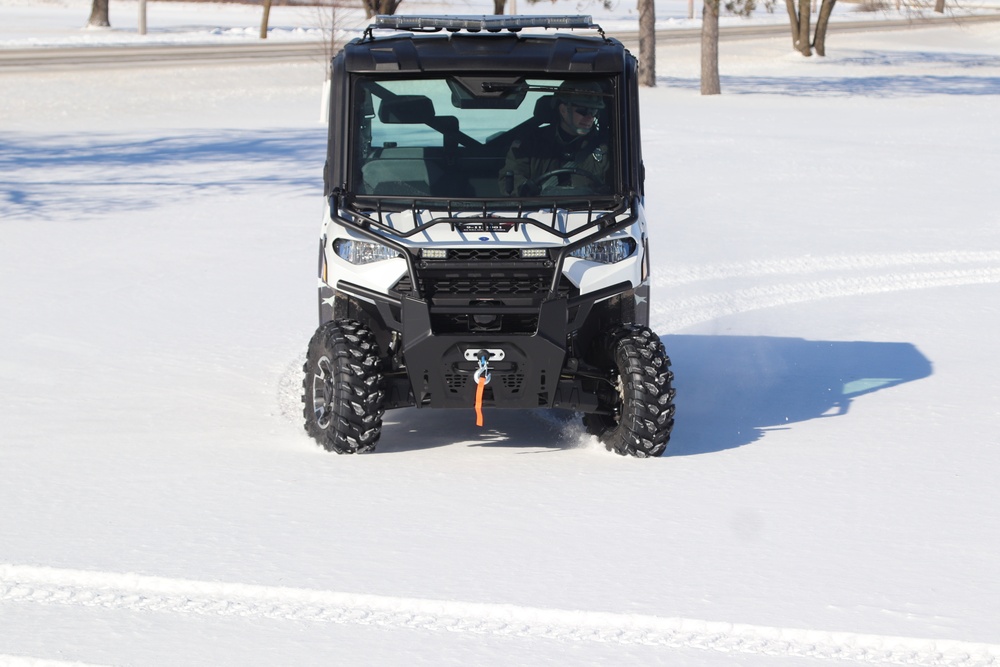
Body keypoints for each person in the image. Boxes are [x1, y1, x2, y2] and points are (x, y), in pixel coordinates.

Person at [498, 80, 611, 197]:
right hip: (537, 213)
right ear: (563, 110)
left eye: (593, 111)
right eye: (583, 111)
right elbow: (510, 181)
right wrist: (525, 189)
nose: (589, 117)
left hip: (593, 213)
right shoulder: (530, 143)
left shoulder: (608, 148)